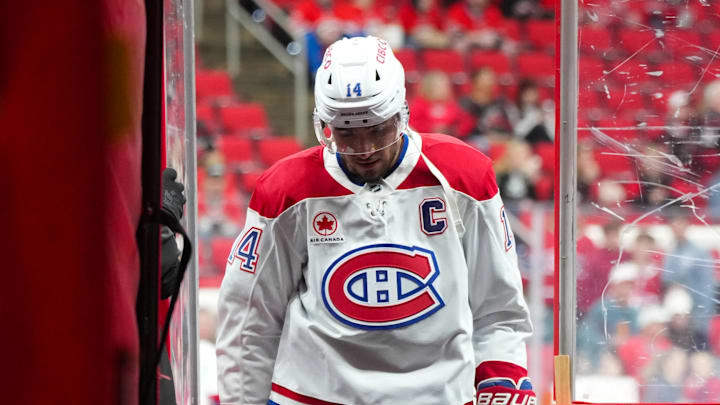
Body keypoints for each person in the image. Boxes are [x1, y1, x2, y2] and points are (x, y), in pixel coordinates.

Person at [216, 35, 535, 405]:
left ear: (401, 114)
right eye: (348, 134)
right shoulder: (286, 189)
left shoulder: (464, 177)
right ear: (326, 126)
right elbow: (248, 318)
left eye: (377, 130)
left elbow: (498, 305)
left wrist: (501, 379)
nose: (365, 150)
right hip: (313, 395)